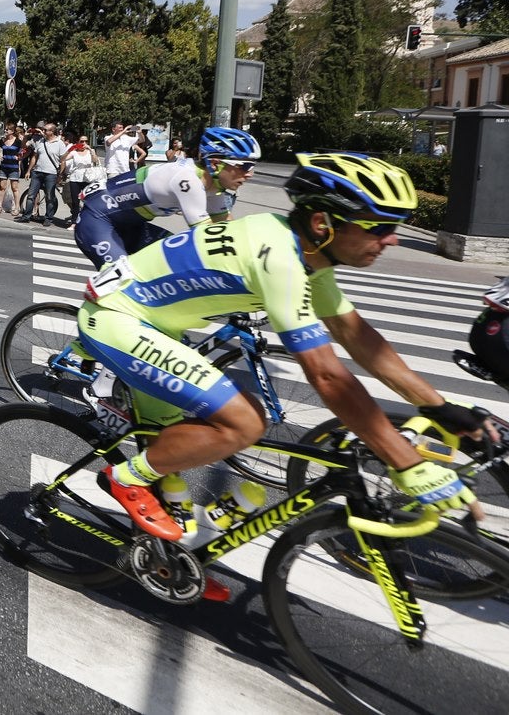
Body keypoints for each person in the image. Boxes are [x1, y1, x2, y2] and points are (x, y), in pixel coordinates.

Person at [82, 152, 495, 601]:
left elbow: (360, 340)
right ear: (323, 223)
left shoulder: (307, 255)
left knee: (172, 442)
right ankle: (127, 477)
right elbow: (329, 377)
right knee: (245, 421)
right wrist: (407, 462)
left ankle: (164, 558)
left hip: (156, 324)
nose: (393, 240)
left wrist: (440, 407)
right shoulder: (279, 258)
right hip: (118, 319)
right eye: (379, 227)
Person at [74, 127, 260, 268]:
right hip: (98, 221)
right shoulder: (187, 179)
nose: (250, 174)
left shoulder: (213, 186)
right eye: (244, 166)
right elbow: (206, 237)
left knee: (175, 262)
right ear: (215, 163)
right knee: (124, 285)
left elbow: (227, 229)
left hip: (130, 226)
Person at [16, 123, 66, 225]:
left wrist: (60, 175)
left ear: (52, 132)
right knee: (31, 195)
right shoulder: (40, 141)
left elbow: (63, 161)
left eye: (45, 130)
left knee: (50, 197)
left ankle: (48, 218)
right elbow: (34, 156)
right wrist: (29, 170)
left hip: (51, 174)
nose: (43, 131)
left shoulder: (59, 143)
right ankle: (26, 216)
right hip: (37, 172)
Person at [59, 130, 99, 227]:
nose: (83, 143)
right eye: (81, 141)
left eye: (86, 141)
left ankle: (87, 221)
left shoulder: (90, 152)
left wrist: (90, 149)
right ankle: (74, 222)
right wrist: (70, 150)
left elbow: (96, 161)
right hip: (75, 178)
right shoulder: (74, 152)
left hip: (87, 178)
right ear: (78, 142)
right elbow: (62, 159)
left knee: (88, 201)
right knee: (75, 201)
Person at [0, 124, 23, 214]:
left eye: (7, 130)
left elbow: (23, 152)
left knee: (15, 188)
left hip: (14, 168)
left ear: (12, 131)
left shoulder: (18, 142)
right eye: (5, 129)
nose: (5, 131)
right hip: (3, 167)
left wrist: (19, 157)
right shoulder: (2, 140)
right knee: (2, 187)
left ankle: (17, 208)